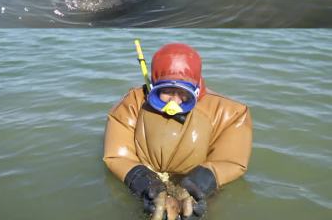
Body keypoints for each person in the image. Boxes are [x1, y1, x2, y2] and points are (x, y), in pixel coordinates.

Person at [103, 43, 252, 219]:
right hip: (148, 186)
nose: (175, 102)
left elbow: (230, 160)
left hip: (195, 188)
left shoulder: (231, 113)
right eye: (166, 91)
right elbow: (117, 156)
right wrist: (147, 185)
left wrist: (197, 186)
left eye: (183, 94)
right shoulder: (131, 104)